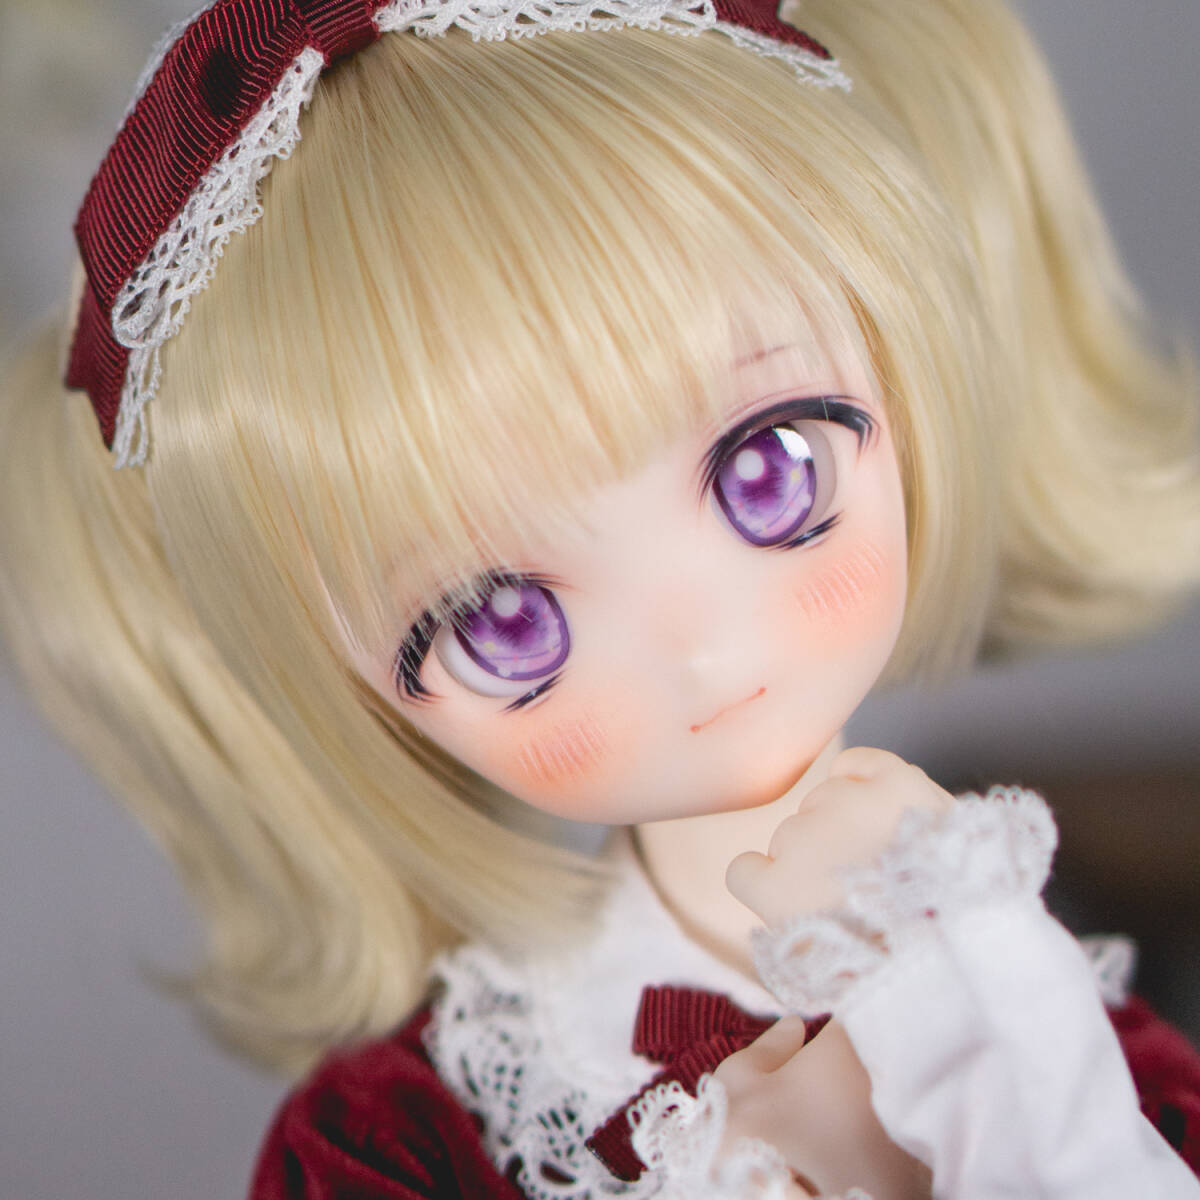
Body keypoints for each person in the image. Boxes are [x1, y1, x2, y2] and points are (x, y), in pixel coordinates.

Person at [1, 0, 1198, 1194]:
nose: (701, 651)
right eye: (505, 624)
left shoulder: (1067, 1048)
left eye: (769, 471)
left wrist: (969, 1060)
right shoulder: (404, 1138)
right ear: (353, 695)